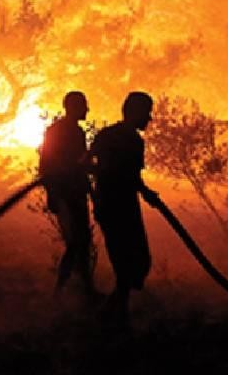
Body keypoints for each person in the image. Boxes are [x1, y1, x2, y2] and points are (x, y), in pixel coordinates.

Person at [90, 91, 160, 326]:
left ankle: (115, 313)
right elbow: (130, 176)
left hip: (107, 205)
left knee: (126, 262)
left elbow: (87, 162)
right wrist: (146, 193)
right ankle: (113, 316)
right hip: (121, 207)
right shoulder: (132, 141)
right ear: (135, 112)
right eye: (146, 113)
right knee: (134, 261)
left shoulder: (106, 135)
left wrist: (96, 194)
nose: (148, 119)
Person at [39, 91, 98, 297]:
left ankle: (85, 289)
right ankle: (61, 290)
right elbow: (46, 166)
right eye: (83, 106)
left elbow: (80, 166)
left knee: (82, 243)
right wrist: (54, 195)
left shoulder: (76, 132)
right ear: (72, 107)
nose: (87, 110)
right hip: (65, 195)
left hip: (76, 193)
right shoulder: (57, 132)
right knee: (76, 242)